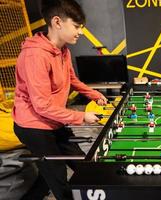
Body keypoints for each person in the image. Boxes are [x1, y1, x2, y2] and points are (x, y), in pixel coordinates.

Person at [12, 0, 108, 199]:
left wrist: (94, 94)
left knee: (83, 163)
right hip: (33, 125)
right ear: (57, 22)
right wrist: (81, 117)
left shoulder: (64, 49)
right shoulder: (35, 55)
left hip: (54, 120)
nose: (80, 32)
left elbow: (72, 79)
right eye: (76, 26)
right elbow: (41, 106)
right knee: (58, 176)